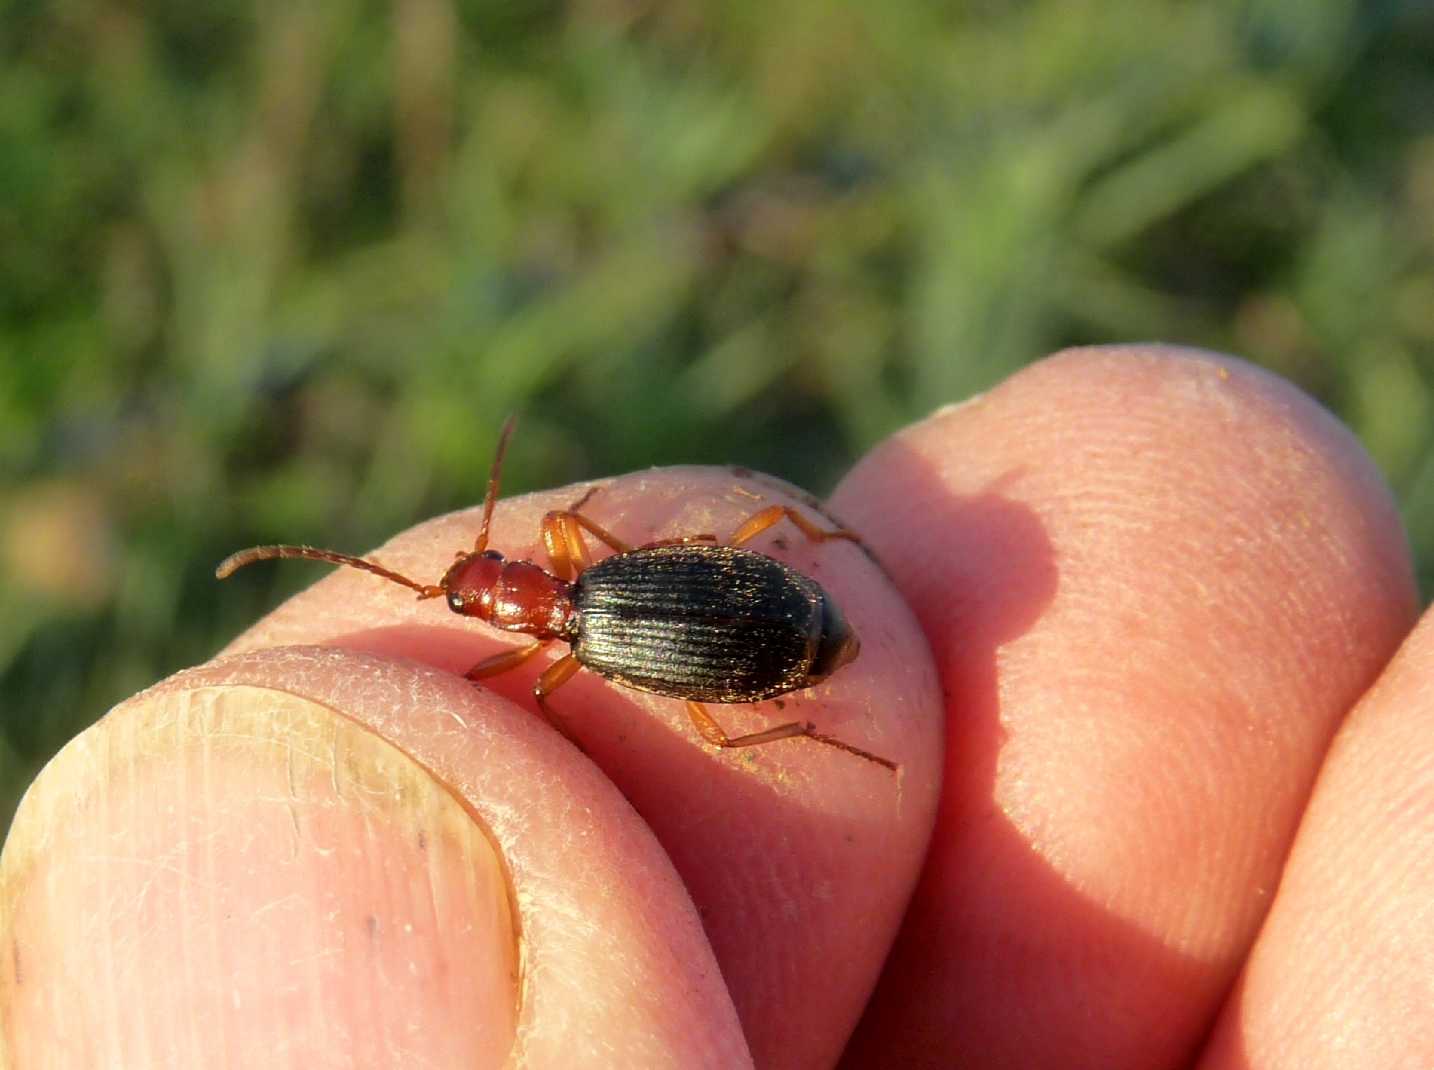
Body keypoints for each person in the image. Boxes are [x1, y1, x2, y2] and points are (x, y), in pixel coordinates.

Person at [2, 345, 1429, 1068]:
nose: (481, 581)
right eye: (476, 584)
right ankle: (816, 627)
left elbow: (581, 596)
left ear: (506, 583)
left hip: (745, 638)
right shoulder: (572, 604)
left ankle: (816, 651)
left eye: (480, 574)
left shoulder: (549, 653)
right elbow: (596, 563)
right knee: (742, 573)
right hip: (758, 625)